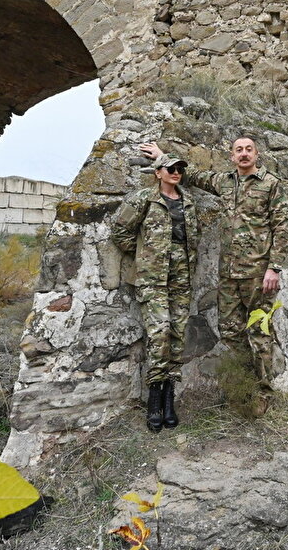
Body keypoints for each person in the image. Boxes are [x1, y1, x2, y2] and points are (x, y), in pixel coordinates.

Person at [139, 136, 288, 413]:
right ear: (232, 156)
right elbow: (192, 176)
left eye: (248, 150)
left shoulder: (271, 184)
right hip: (229, 274)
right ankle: (246, 385)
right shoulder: (224, 182)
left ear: (256, 154)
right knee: (231, 332)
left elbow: (281, 227)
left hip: (258, 275)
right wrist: (162, 156)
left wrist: (274, 267)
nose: (243, 154)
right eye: (238, 150)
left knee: (259, 334)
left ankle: (264, 394)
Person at [110, 154, 199, 432]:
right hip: (153, 279)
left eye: (179, 169)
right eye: (170, 169)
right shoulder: (143, 200)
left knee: (177, 334)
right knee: (159, 333)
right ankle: (154, 401)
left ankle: (170, 399)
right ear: (158, 173)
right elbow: (120, 230)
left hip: (181, 277)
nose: (176, 172)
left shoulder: (189, 202)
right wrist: (143, 256)